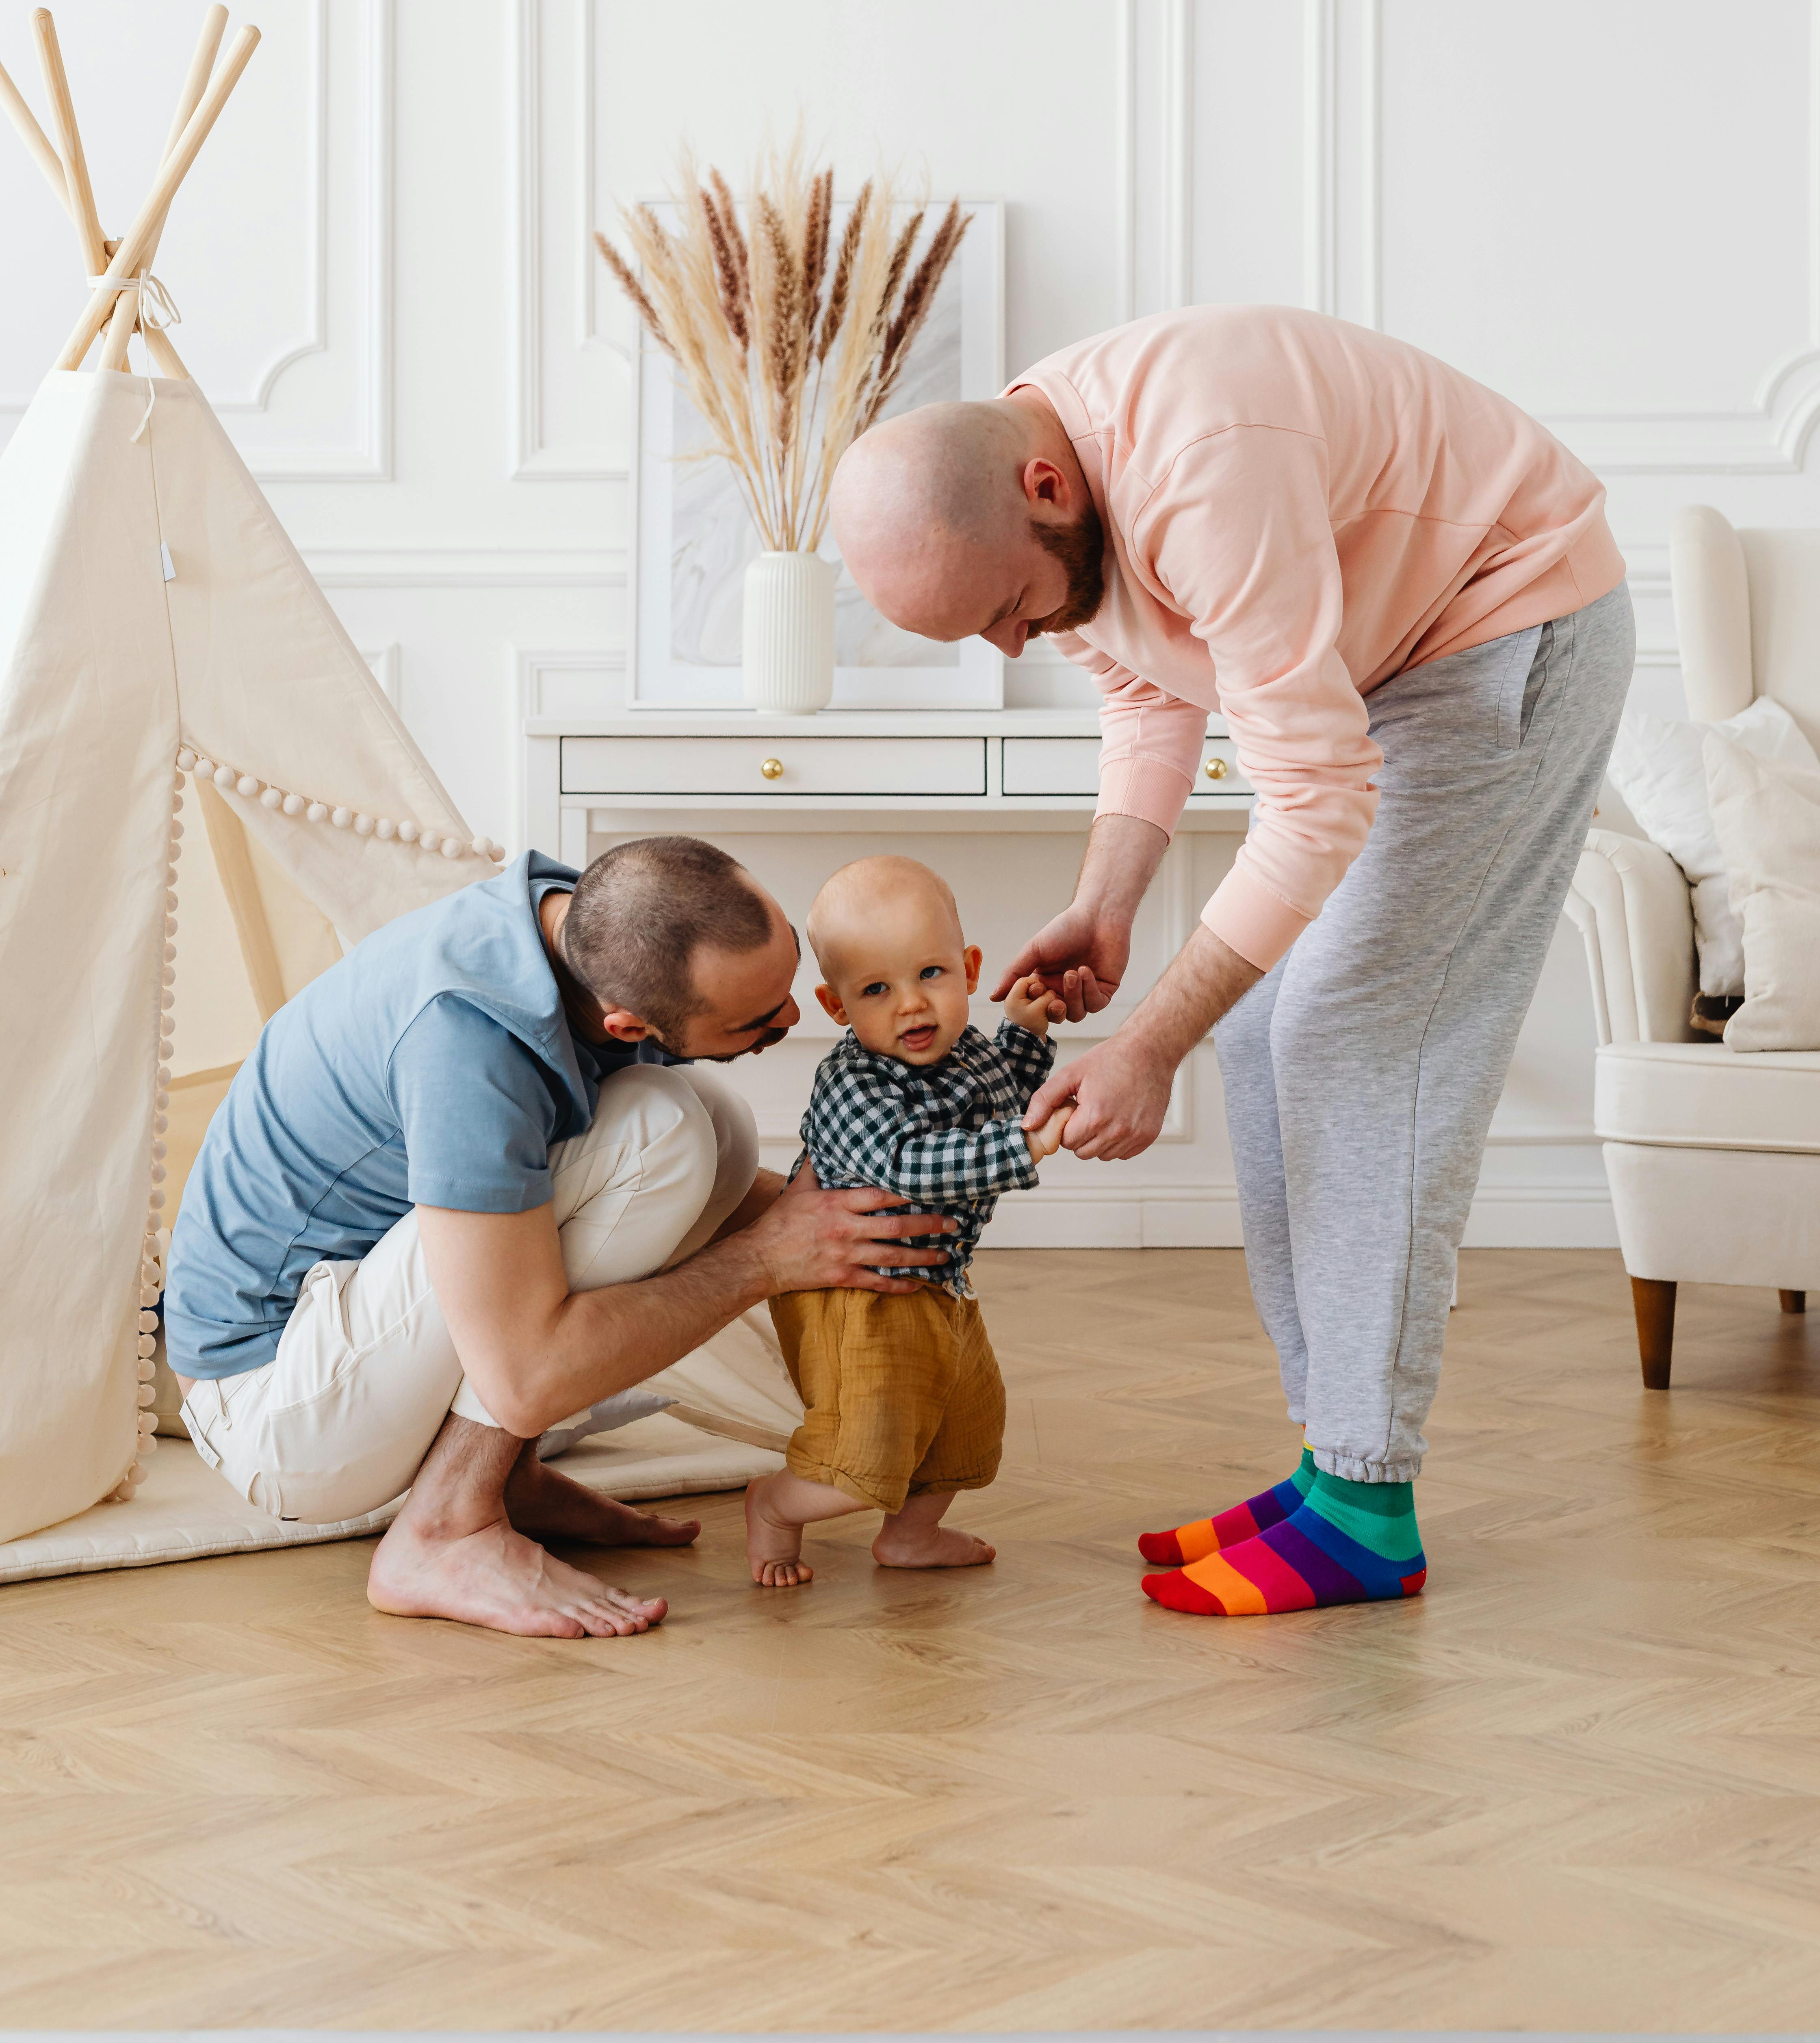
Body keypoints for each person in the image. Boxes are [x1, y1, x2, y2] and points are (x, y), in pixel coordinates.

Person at [829, 304, 1634, 1618]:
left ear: (1046, 489)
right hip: (1395, 648)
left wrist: (1147, 1043)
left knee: (1364, 1029)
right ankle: (1331, 1470)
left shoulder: (1202, 466)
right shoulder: (1049, 502)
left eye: (1006, 612)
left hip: (1510, 621)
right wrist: (1107, 902)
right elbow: (1150, 687)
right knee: (1267, 1030)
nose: (1013, 646)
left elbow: (1316, 799)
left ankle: (1371, 1504)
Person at [165, 835, 956, 1640]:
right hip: (279, 1413)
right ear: (627, 1021)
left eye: (787, 970)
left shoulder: (591, 925)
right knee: (665, 1133)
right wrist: (768, 1262)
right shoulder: (469, 1043)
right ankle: (445, 1531)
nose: (792, 1017)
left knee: (713, 1131)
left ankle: (508, 1480)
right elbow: (523, 1381)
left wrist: (848, 1219)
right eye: (758, 1018)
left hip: (343, 1329)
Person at [744, 855, 1073, 1590]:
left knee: (961, 1428)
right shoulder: (853, 1081)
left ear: (968, 967)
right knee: (863, 1452)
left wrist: (1025, 1032)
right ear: (838, 1007)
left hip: (938, 1285)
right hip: (853, 1294)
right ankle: (775, 1506)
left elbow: (997, 1096)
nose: (912, 1007)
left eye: (931, 975)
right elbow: (911, 1164)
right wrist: (1025, 1144)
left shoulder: (964, 1053)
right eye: (876, 990)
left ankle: (910, 1539)